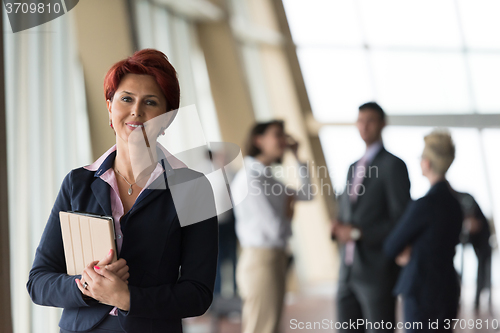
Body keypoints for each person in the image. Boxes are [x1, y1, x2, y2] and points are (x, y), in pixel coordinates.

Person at [26, 49, 218, 333]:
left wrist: (126, 298)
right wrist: (86, 285)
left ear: (166, 119)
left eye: (150, 102)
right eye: (126, 98)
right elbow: (39, 282)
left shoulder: (192, 187)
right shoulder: (77, 183)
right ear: (109, 107)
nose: (136, 111)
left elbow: (198, 293)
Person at [332, 102, 411, 332]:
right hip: (347, 270)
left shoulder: (394, 165)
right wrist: (338, 226)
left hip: (376, 272)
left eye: (370, 121)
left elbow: (401, 221)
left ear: (383, 125)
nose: (364, 126)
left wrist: (358, 233)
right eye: (360, 121)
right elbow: (348, 211)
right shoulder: (352, 167)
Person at [231, 120, 312, 333]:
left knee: (271, 326)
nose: (284, 140)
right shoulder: (251, 178)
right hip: (261, 261)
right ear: (259, 140)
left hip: (274, 257)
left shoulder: (267, 178)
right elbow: (275, 228)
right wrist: (289, 209)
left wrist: (297, 156)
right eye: (278, 134)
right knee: (262, 327)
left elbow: (307, 194)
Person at [384, 129, 463, 332]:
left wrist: (409, 251)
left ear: (427, 163)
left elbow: (392, 245)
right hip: (447, 288)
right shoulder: (456, 203)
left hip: (422, 291)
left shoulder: (425, 204)